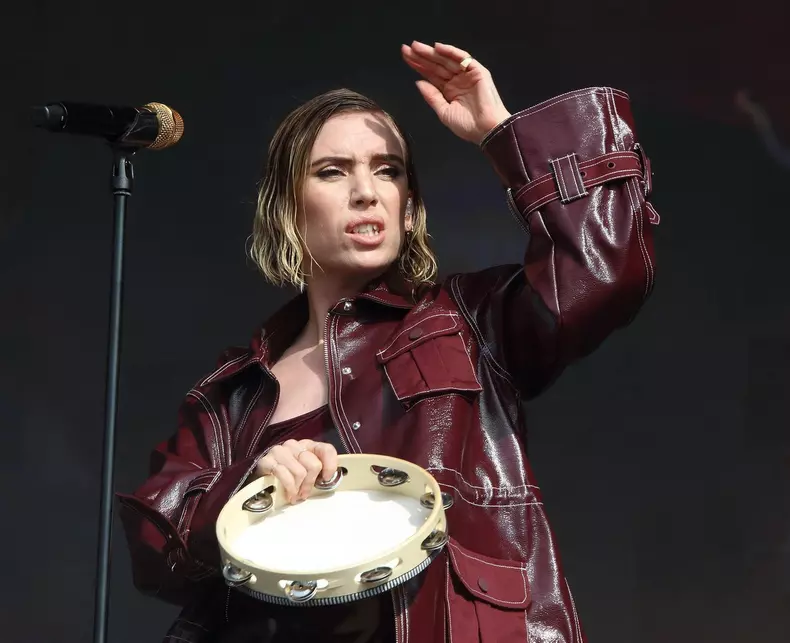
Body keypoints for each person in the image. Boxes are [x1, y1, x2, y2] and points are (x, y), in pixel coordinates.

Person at [118, 40, 658, 643]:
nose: (366, 192)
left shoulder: (466, 320)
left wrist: (502, 134)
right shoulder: (231, 397)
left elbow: (606, 272)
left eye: (387, 169)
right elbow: (154, 550)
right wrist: (249, 487)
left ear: (408, 209)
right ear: (286, 210)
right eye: (332, 171)